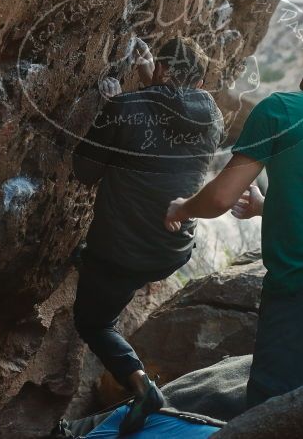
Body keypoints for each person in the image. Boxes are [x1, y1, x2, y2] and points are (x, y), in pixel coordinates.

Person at [164, 26, 303, 439]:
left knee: (270, 416)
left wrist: (183, 207)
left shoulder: (282, 108)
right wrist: (268, 208)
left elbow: (219, 198)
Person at [72, 36, 224, 434]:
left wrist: (113, 110)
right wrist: (150, 86)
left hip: (122, 252)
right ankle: (90, 264)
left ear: (165, 69)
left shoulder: (124, 106)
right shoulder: (212, 116)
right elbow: (167, 118)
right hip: (172, 248)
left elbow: (84, 172)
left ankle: (143, 388)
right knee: (107, 272)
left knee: (94, 323)